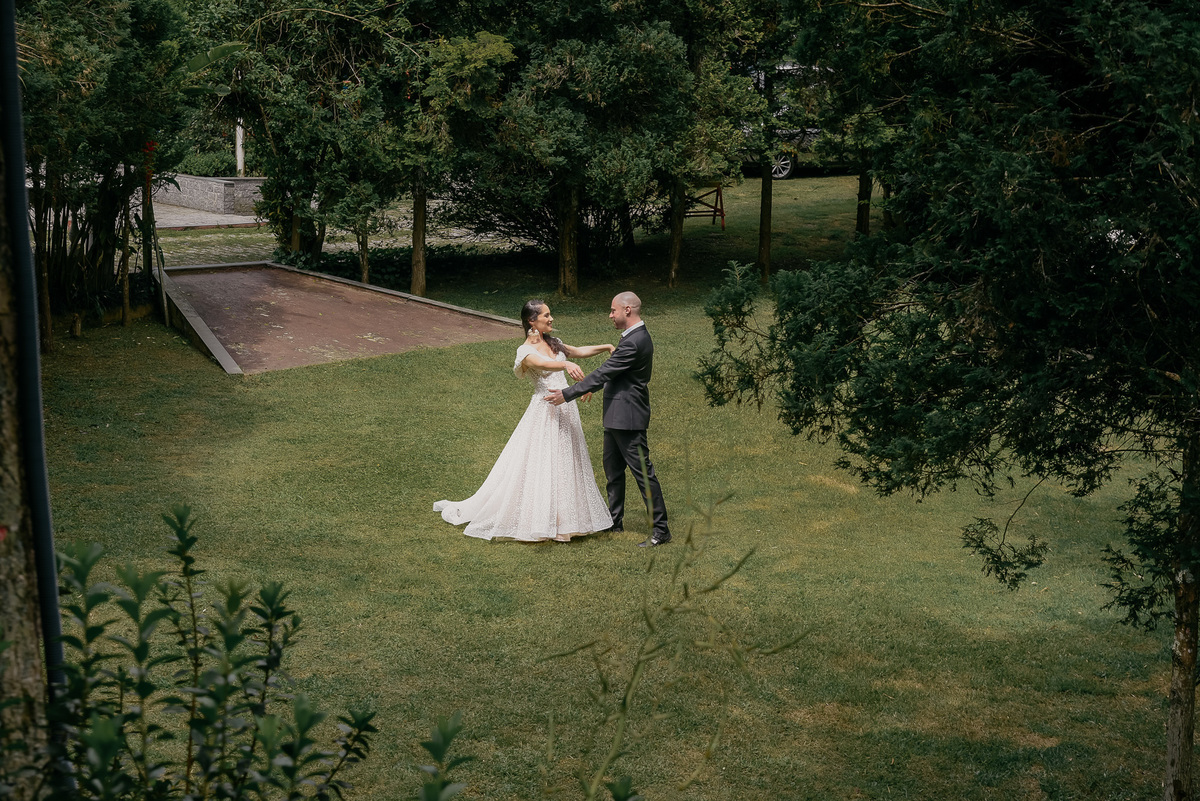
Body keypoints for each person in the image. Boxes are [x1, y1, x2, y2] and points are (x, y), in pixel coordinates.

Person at [433, 300, 615, 542]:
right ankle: (541, 520)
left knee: (566, 462)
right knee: (543, 464)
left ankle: (566, 520)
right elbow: (542, 364)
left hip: (566, 408)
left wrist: (607, 347)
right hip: (545, 410)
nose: (551, 319)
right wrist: (566, 364)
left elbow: (579, 351)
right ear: (532, 321)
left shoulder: (554, 343)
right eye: (546, 316)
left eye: (550, 315)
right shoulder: (525, 351)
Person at [545, 292, 670, 547]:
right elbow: (615, 373)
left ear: (627, 310)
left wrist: (568, 393)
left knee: (643, 474)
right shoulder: (632, 338)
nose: (610, 315)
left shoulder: (634, 341)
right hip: (616, 415)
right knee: (613, 472)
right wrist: (593, 387)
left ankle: (661, 531)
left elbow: (605, 371)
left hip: (628, 418)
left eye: (613, 310)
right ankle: (615, 522)